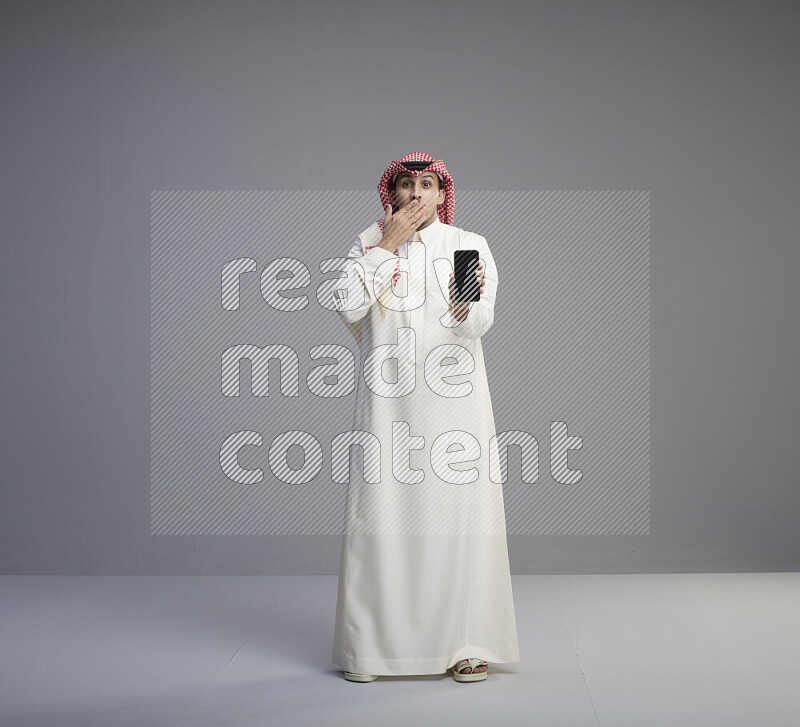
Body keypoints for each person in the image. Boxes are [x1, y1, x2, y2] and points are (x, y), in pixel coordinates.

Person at [330, 152, 519, 683]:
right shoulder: (368, 242)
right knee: (381, 519)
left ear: (442, 194)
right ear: (391, 194)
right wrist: (387, 246)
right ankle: (370, 650)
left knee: (460, 520)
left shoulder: (469, 245)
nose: (416, 194)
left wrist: (464, 298)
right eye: (407, 185)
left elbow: (476, 322)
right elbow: (345, 304)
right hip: (388, 406)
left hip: (454, 407)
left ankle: (466, 643)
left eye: (427, 185)